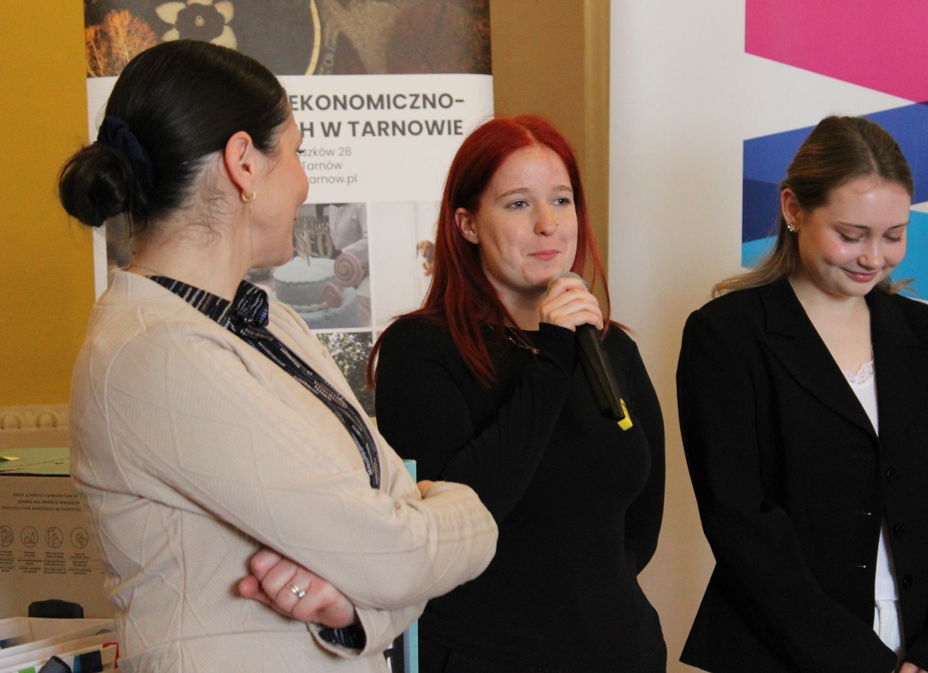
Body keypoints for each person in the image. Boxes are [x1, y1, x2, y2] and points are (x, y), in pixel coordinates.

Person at [59, 40, 497, 672]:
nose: (303, 181)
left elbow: (390, 555)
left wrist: (349, 609)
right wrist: (469, 514)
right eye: (296, 151)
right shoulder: (153, 352)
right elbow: (396, 555)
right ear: (243, 163)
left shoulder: (272, 323)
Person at [677, 116, 928, 673]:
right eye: (851, 235)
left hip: (922, 649)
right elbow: (741, 524)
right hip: (778, 655)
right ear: (793, 209)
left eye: (893, 235)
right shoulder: (726, 335)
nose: (874, 258)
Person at [373, 115, 667, 673]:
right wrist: (553, 358)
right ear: (467, 225)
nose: (548, 225)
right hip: (482, 656)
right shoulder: (420, 349)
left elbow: (639, 524)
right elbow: (451, 524)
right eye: (517, 204)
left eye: (561, 200)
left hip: (621, 651)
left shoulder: (613, 349)